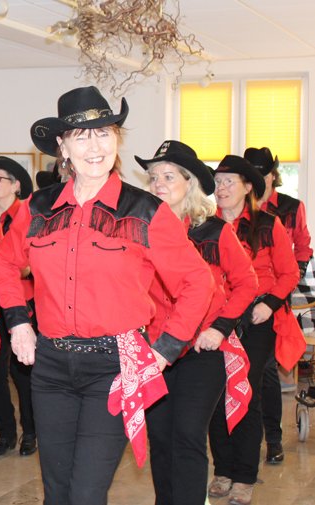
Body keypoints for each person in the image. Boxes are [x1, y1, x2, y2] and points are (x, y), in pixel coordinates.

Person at [0, 86, 213, 505]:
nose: (95, 146)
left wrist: (164, 351)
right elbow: (2, 262)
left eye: (104, 132)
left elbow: (198, 283)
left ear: (117, 140)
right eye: (82, 135)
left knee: (87, 492)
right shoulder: (37, 208)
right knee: (56, 491)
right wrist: (18, 323)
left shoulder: (145, 210)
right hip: (51, 366)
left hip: (114, 366)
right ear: (62, 146)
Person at [138, 141, 257, 505]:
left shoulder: (214, 231)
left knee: (188, 436)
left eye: (168, 176)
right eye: (153, 176)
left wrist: (219, 328)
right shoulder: (139, 230)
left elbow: (248, 283)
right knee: (160, 438)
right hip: (154, 351)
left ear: (189, 183)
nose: (158, 183)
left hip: (200, 353)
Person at [207, 155, 300, 505]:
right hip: (217, 319)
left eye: (230, 181)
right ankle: (223, 470)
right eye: (217, 182)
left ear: (248, 187)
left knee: (247, 392)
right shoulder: (204, 226)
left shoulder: (268, 224)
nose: (222, 188)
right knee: (215, 394)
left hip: (258, 319)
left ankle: (245, 475)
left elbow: (289, 273)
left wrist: (269, 304)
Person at [245, 146, 312, 465]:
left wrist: (291, 281)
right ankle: (253, 437)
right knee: (253, 370)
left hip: (276, 297)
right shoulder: (236, 210)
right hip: (241, 300)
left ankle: (270, 437)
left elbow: (302, 247)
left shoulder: (289, 207)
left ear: (273, 174)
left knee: (264, 368)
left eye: (263, 171)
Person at [0, 156, 36, 457]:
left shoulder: (26, 216)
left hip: (23, 305)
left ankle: (30, 431)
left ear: (16, 186)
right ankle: (6, 432)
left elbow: (31, 265)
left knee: (22, 372)